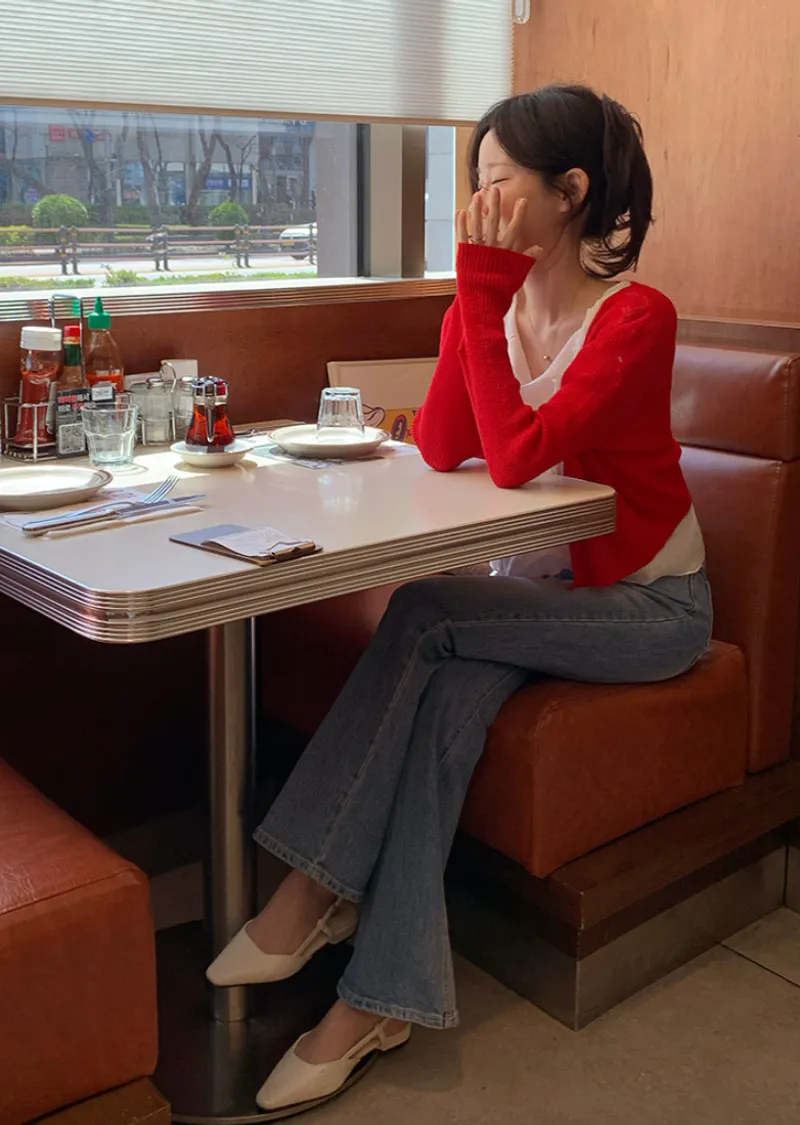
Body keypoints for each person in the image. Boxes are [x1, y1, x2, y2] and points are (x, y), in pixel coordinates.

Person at [207, 84, 711, 1113]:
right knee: (440, 698)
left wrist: (479, 295)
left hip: (648, 611)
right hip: (533, 598)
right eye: (473, 182)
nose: (476, 204)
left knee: (426, 610)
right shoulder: (491, 308)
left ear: (569, 192)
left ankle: (314, 888)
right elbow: (442, 445)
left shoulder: (635, 316)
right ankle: (380, 1003)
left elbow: (516, 459)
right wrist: (474, 303)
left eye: (497, 182)